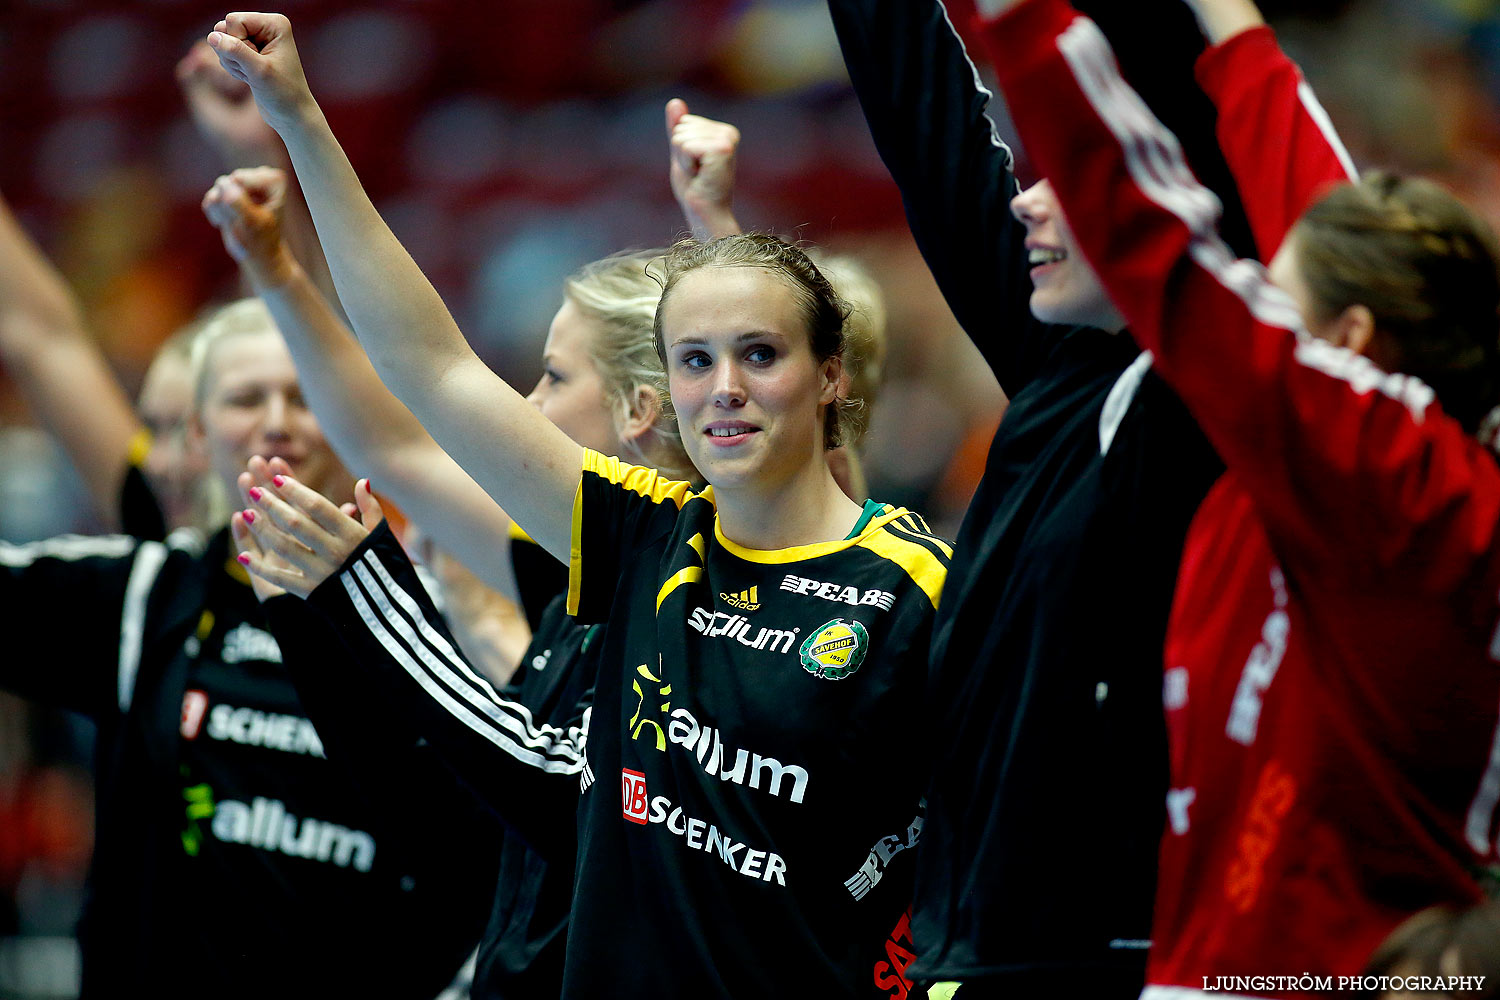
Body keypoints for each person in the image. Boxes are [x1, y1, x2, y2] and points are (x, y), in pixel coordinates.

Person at [208, 11, 949, 995]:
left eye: (760, 356)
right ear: (669, 394)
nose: (722, 386)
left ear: (828, 378)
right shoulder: (642, 536)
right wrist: (300, 117)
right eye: (696, 361)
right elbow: (426, 365)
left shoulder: (912, 583)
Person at [973, 0, 1500, 995]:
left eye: (1272, 297)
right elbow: (1307, 181)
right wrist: (1229, 17)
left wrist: (1019, 18)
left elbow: (1154, 237)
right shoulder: (1373, 437)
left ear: (1346, 344)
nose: (1251, 311)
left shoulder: (1403, 484)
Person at [821, 1, 1230, 995]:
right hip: (980, 939)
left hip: (1114, 950)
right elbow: (934, 135)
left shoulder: (1209, 404)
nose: (1024, 205)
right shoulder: (1062, 365)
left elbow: (1203, 100)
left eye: (1068, 182)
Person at [0, 300, 497, 997]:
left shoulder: (430, 618)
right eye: (244, 399)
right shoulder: (144, 595)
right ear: (197, 433)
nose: (275, 421)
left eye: (302, 397)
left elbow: (484, 856)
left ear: (348, 419)